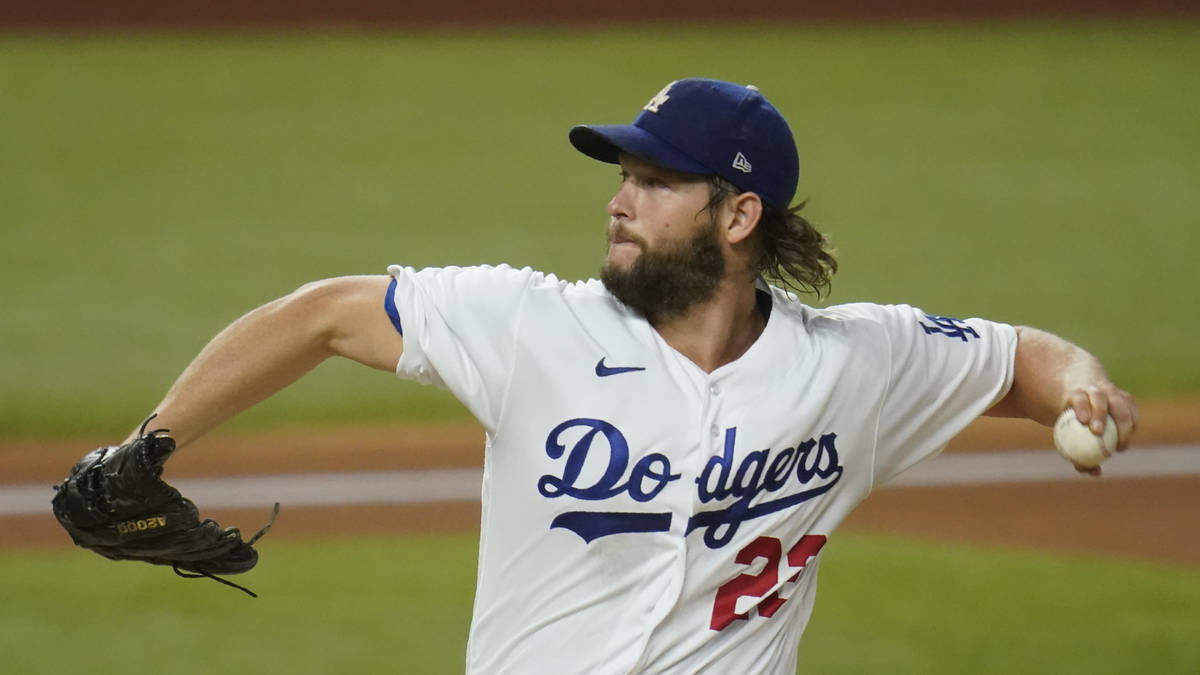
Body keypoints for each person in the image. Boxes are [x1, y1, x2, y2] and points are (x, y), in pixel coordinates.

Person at [122, 79, 1137, 673]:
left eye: (655, 183)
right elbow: (325, 315)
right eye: (622, 178)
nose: (621, 201)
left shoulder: (854, 366)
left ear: (738, 216)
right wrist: (149, 446)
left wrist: (1083, 383)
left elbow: (1018, 362)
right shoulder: (532, 327)